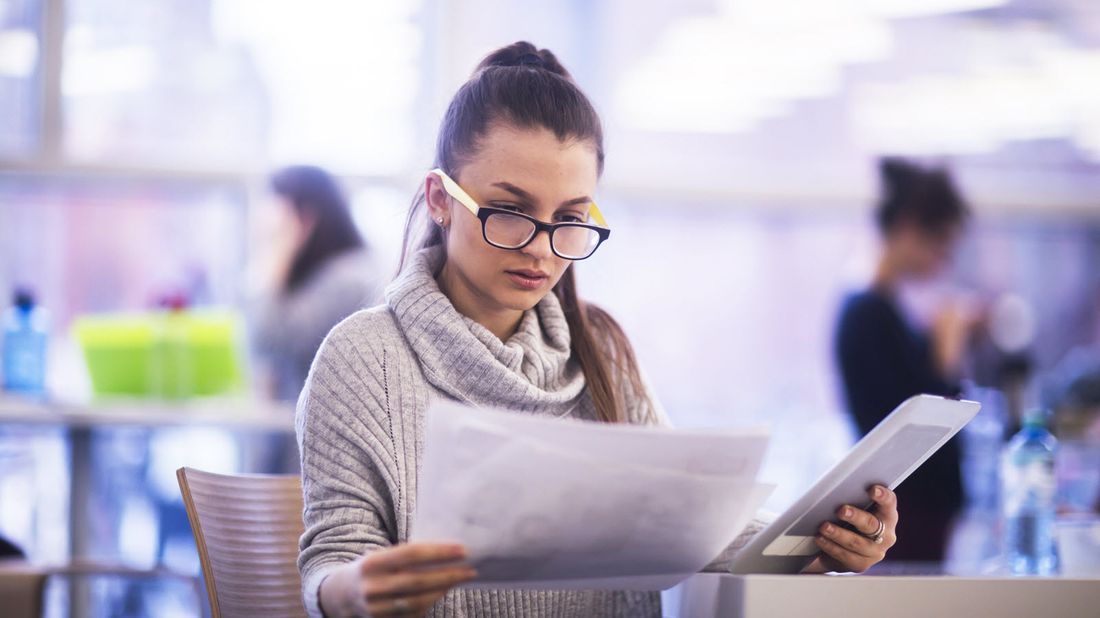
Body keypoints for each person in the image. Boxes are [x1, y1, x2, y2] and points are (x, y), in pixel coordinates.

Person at [297, 42, 898, 618]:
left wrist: (822, 546)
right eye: (510, 211)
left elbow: (696, 533)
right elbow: (332, 560)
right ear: (439, 198)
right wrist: (353, 593)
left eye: (569, 219)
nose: (540, 249)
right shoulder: (362, 358)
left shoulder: (600, 349)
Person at [835, 157, 974, 564]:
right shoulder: (868, 314)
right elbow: (911, 429)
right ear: (909, 229)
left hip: (915, 513)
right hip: (905, 516)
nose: (943, 262)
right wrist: (946, 354)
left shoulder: (885, 312)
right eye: (941, 247)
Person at [251, 165, 381, 402]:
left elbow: (267, 341)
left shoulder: (349, 276)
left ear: (305, 219)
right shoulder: (318, 274)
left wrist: (278, 252)